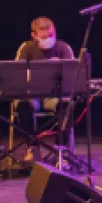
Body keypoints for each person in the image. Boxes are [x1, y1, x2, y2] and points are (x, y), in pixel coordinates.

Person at [12, 17, 77, 160]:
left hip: (54, 94)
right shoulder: (26, 48)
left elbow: (73, 75)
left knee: (66, 104)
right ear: (34, 35)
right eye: (44, 36)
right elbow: (16, 73)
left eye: (51, 35)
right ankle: (32, 147)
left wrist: (61, 67)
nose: (49, 39)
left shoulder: (63, 48)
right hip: (32, 94)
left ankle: (61, 150)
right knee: (22, 104)